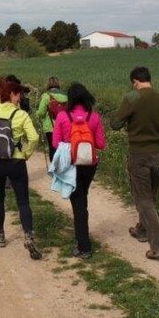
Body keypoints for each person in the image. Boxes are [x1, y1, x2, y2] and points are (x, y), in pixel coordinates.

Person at [0, 81, 42, 260]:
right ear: (12, 95)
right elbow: (34, 137)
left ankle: (1, 235)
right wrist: (25, 153)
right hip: (16, 162)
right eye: (18, 94)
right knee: (23, 201)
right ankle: (28, 235)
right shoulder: (21, 115)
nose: (20, 97)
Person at [110, 66, 159, 260]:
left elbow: (115, 123)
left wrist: (128, 120)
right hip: (158, 154)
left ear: (135, 81)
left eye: (133, 84)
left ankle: (158, 245)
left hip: (139, 155)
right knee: (150, 196)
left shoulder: (132, 97)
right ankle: (142, 230)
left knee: (143, 199)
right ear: (149, 80)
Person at [52, 82, 106, 259]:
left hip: (71, 165)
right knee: (82, 198)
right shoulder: (94, 117)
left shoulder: (62, 116)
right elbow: (100, 144)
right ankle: (82, 239)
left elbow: (55, 143)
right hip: (89, 164)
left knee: (78, 204)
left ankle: (83, 246)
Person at [36, 76, 68, 161]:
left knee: (52, 147)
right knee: (64, 147)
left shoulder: (46, 96)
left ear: (48, 84)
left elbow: (41, 113)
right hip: (64, 126)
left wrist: (37, 113)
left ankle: (54, 169)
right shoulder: (65, 95)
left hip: (50, 126)